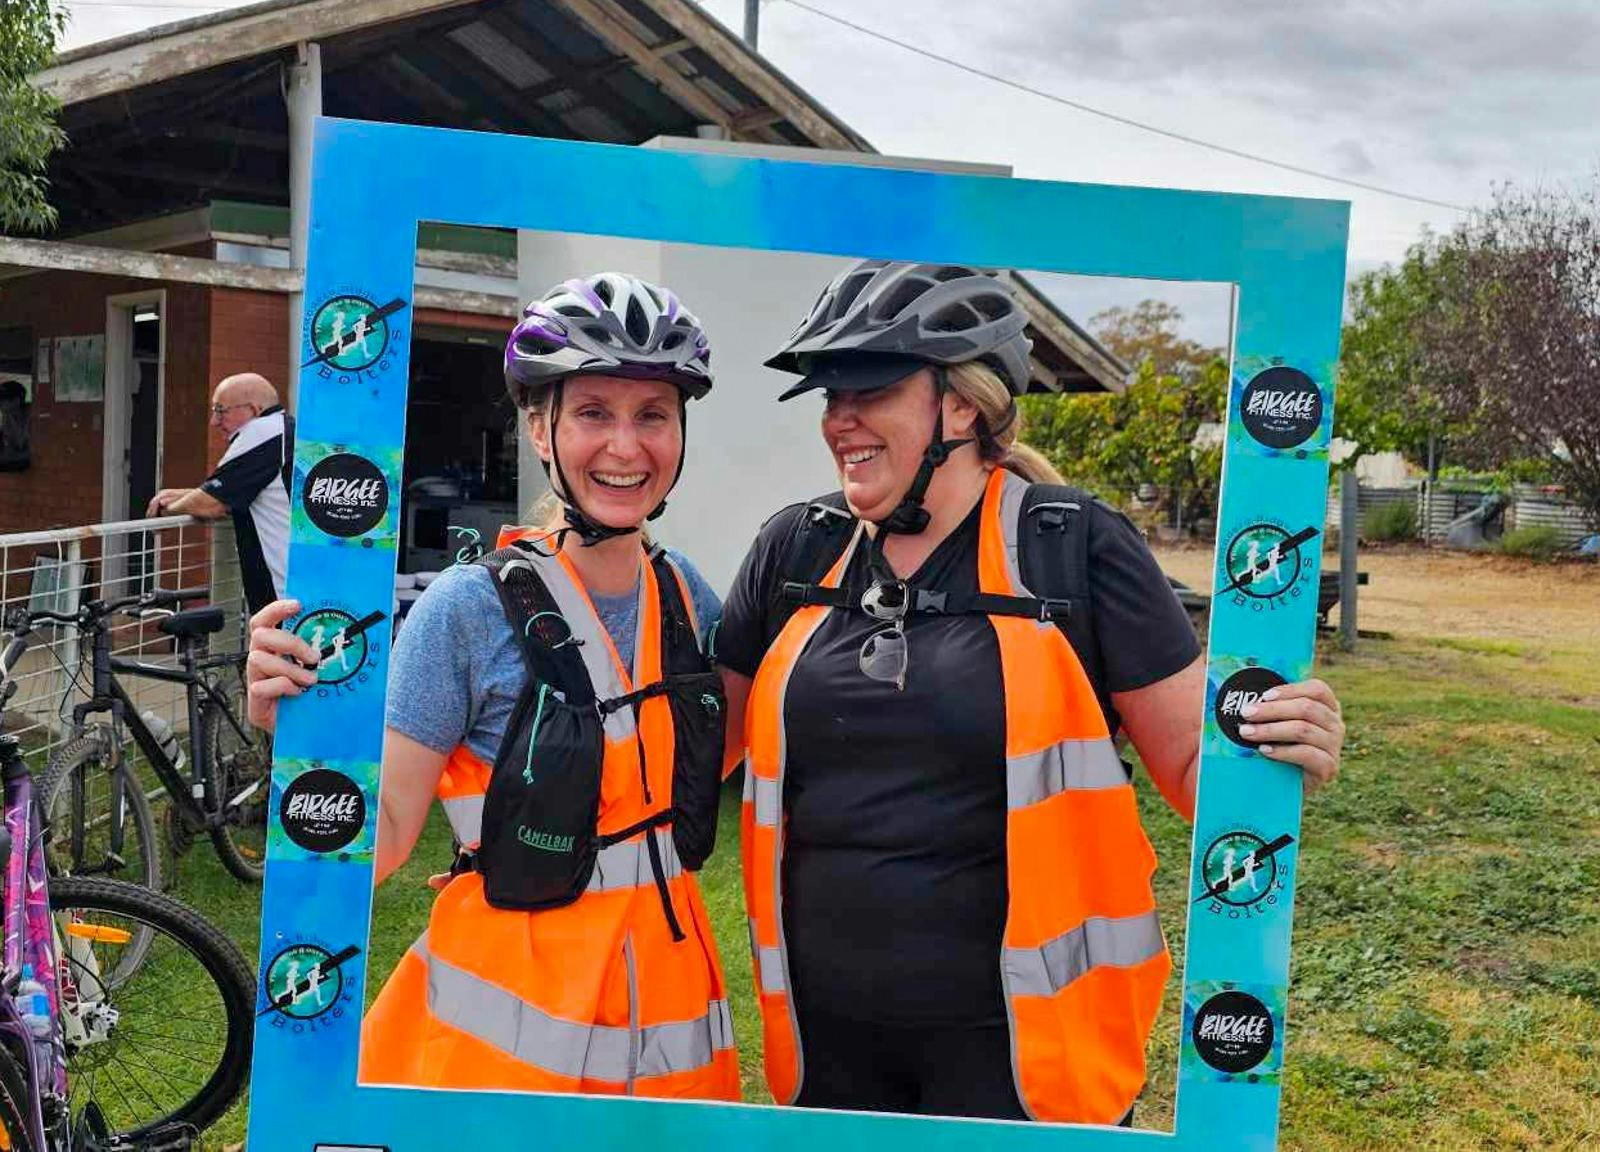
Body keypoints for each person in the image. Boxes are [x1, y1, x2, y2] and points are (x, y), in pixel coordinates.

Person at [716, 261, 1345, 1125]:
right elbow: (686, 758)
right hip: (828, 1048)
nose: (840, 420)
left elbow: (1197, 768)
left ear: (963, 405)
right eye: (830, 395)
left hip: (1025, 1058)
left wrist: (1278, 746)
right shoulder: (797, 549)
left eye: (870, 388)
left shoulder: (1072, 549)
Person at [245, 273, 738, 1099]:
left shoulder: (687, 592)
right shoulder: (468, 610)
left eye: (652, 414)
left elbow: (688, 771)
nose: (626, 446)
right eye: (593, 413)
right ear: (541, 430)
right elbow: (390, 831)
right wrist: (297, 739)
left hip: (672, 1030)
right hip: (505, 1058)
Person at [147, 372, 293, 615]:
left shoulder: (261, 432)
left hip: (281, 588)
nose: (214, 421)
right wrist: (190, 495)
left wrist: (165, 508)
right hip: (300, 579)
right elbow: (242, 489)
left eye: (220, 410)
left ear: (253, 410)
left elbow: (212, 503)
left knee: (279, 650)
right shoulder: (285, 429)